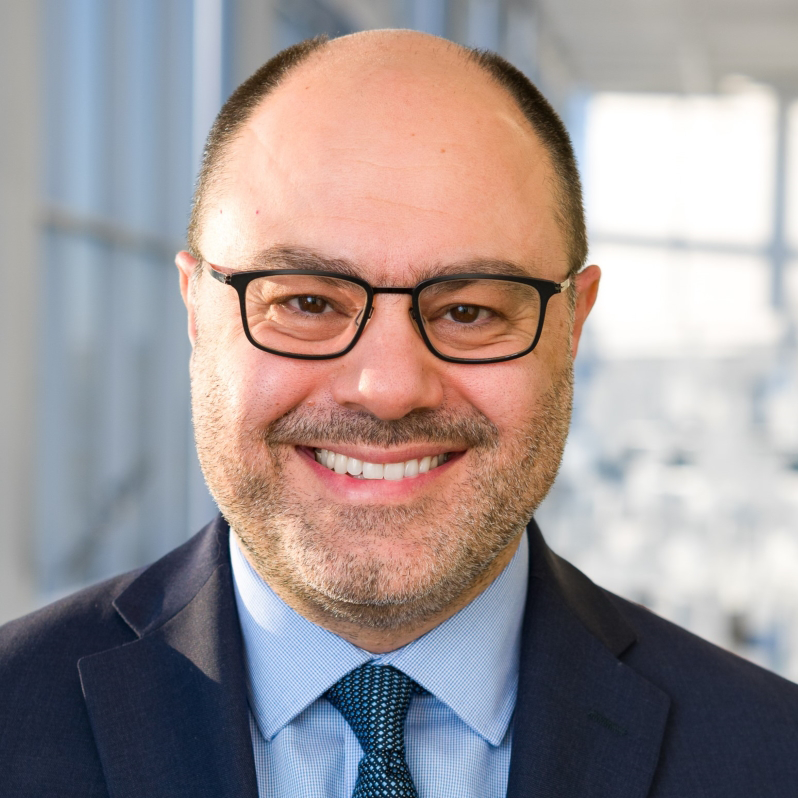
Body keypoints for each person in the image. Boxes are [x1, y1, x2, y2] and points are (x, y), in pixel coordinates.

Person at [1, 29, 797, 798]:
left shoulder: (769, 757)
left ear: (572, 324)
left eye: (471, 311)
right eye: (307, 301)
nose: (388, 387)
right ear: (197, 311)